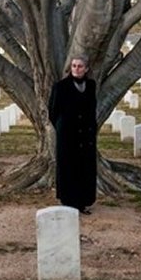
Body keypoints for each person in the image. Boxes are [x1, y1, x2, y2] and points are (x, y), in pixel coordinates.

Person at [48, 55, 97, 215]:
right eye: (74, 66)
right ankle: (69, 201)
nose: (77, 69)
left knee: (84, 168)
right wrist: (63, 127)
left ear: (86, 69)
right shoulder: (61, 86)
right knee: (69, 167)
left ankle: (82, 202)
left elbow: (92, 107)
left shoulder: (91, 85)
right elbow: (53, 111)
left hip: (86, 134)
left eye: (80, 66)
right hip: (68, 135)